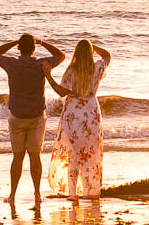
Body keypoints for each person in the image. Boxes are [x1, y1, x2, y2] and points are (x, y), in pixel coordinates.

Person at [0, 33, 64, 207]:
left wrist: (15, 42)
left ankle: (12, 195)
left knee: (17, 157)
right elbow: (61, 55)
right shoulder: (40, 64)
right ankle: (37, 194)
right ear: (33, 49)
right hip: (36, 116)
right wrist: (43, 42)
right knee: (34, 156)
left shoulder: (12, 64)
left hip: (16, 116)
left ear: (19, 48)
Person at [46, 38, 111, 198]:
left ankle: (73, 193)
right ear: (90, 53)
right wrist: (91, 47)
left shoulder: (71, 71)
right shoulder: (96, 68)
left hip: (73, 114)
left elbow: (61, 92)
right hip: (90, 113)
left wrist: (48, 76)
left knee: (73, 154)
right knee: (90, 152)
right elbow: (107, 56)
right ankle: (91, 191)